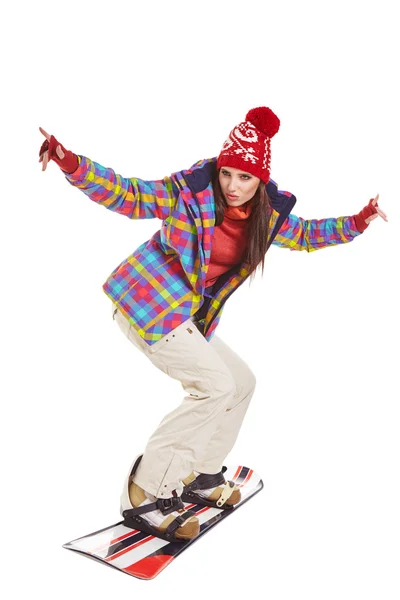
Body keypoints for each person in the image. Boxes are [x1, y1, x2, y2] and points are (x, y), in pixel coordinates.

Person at [38, 107, 387, 542]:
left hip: (184, 316)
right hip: (147, 303)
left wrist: (357, 221)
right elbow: (128, 194)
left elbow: (306, 234)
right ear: (218, 169)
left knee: (240, 381)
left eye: (245, 178)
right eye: (227, 175)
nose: (233, 187)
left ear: (260, 180)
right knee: (214, 386)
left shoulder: (266, 216)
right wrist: (71, 163)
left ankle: (202, 475)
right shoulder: (188, 193)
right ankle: (147, 490)